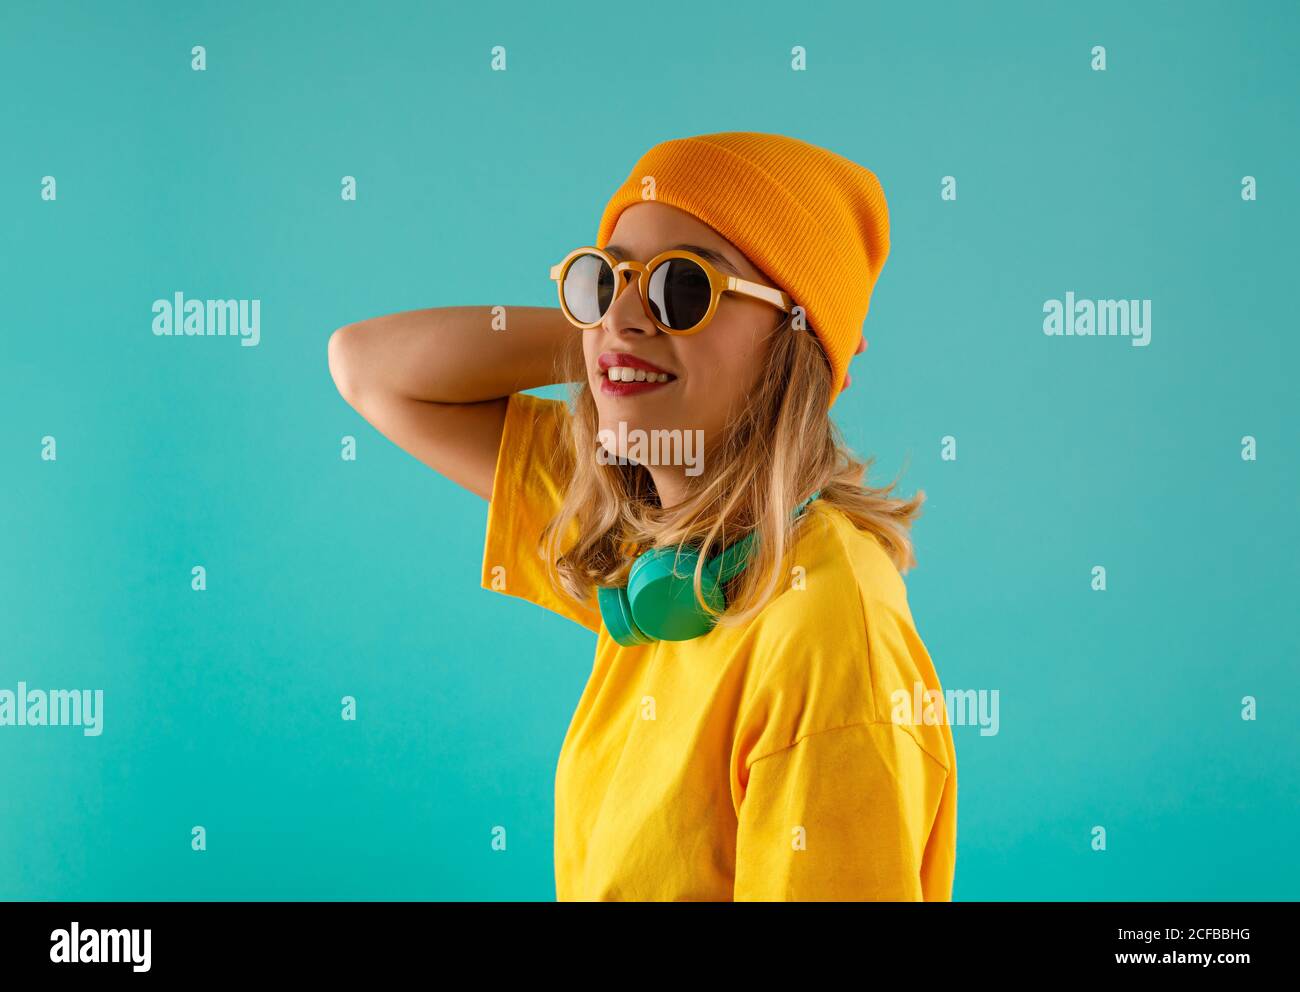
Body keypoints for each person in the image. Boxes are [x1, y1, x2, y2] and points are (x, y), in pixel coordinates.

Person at [328, 131, 957, 901]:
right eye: (604, 279)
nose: (625, 312)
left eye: (684, 288)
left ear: (794, 340)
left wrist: (629, 336)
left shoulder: (824, 632)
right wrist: (614, 333)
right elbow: (366, 368)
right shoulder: (646, 535)